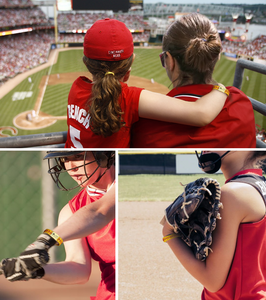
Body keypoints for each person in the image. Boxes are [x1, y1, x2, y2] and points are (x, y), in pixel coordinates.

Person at [65, 18, 229, 148]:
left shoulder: (76, 88)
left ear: (86, 63)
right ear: (131, 62)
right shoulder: (130, 98)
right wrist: (222, 89)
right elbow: (201, 114)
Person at [1, 151, 116, 300]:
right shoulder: (71, 211)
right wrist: (37, 270)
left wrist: (44, 241)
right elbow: (79, 268)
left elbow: (100, 212)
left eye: (78, 157)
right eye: (65, 159)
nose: (71, 167)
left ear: (104, 156)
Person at [131, 13, 256, 148]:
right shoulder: (241, 102)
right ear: (216, 57)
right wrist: (220, 88)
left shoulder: (144, 124)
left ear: (170, 61)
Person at [162, 151, 266, 298]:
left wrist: (168, 233)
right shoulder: (260, 185)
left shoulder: (232, 193)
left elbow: (212, 280)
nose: (204, 149)